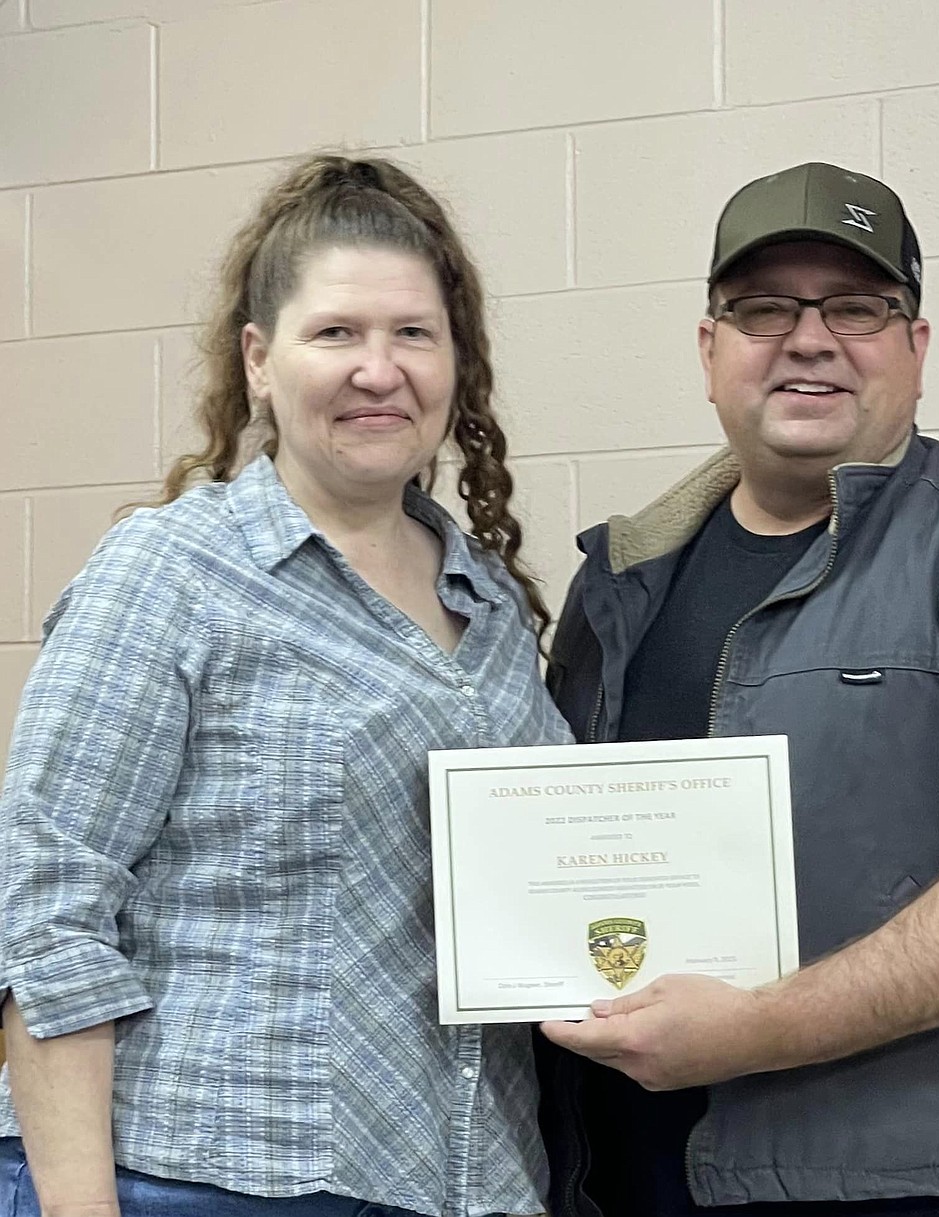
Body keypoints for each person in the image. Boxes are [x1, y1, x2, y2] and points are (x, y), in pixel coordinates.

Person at [536, 162, 939, 1217]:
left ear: (917, 348)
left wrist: (756, 1028)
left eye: (858, 306)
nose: (809, 338)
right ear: (709, 350)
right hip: (632, 1182)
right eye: (763, 307)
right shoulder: (617, 583)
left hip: (925, 1194)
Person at [0, 153, 572, 1217]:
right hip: (195, 1179)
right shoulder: (170, 570)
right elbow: (49, 914)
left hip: (464, 1180)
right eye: (336, 333)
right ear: (260, 360)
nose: (378, 367)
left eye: (413, 333)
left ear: (457, 365)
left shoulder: (490, 604)